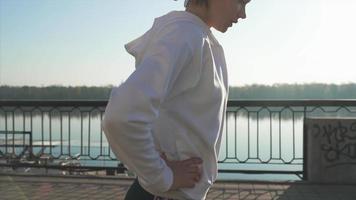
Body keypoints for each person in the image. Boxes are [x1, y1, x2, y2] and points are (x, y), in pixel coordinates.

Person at [102, 0, 250, 199]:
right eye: (241, 2)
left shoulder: (194, 33)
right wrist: (163, 177)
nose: (243, 15)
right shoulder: (184, 34)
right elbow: (121, 117)